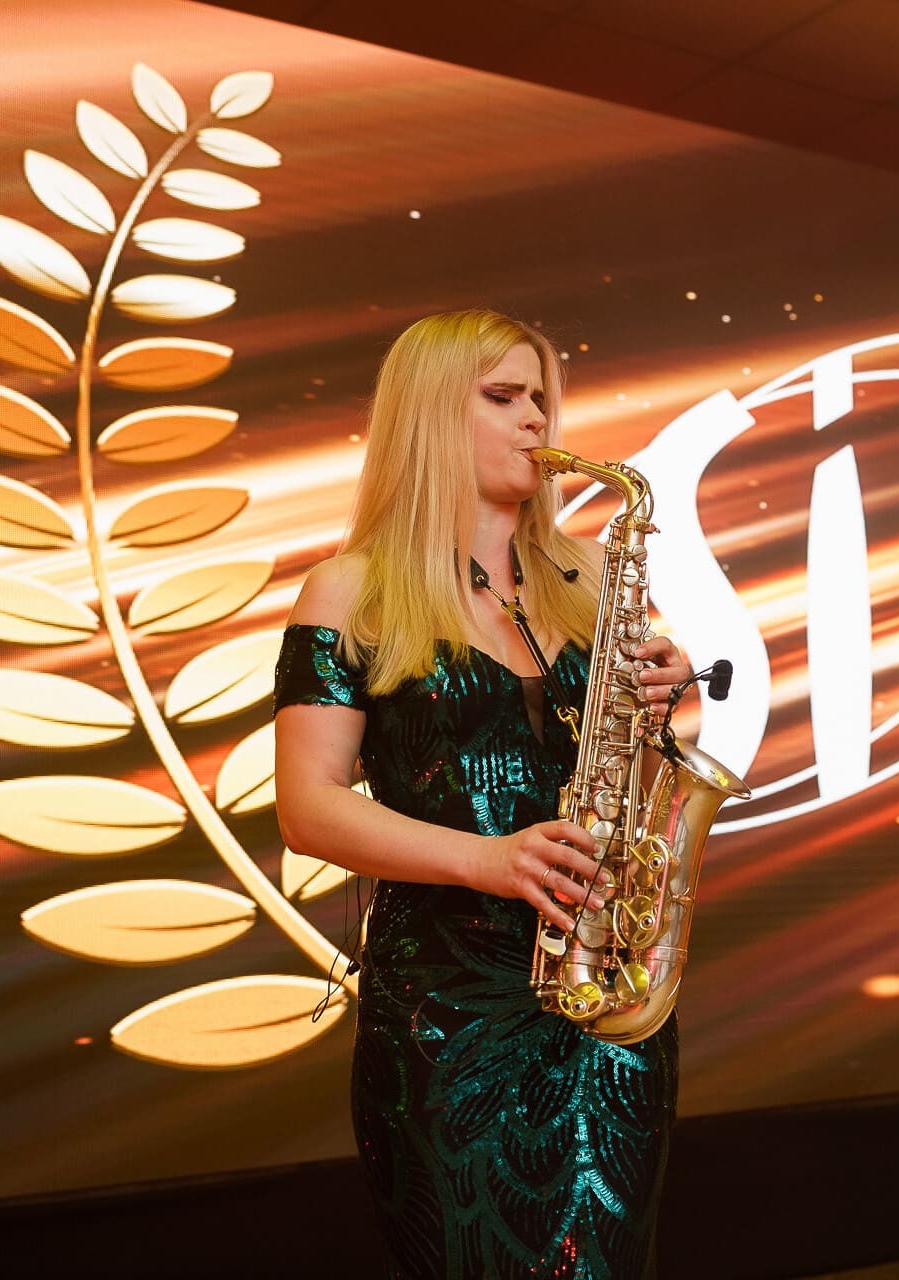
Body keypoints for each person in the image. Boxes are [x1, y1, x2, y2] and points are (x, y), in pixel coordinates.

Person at [272, 308, 694, 1278]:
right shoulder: (350, 591)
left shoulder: (592, 575)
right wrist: (490, 860)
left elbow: (648, 771)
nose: (537, 418)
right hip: (446, 1016)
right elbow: (308, 805)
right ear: (426, 414)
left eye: (540, 396)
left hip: (606, 1000)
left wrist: (675, 707)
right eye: (503, 396)